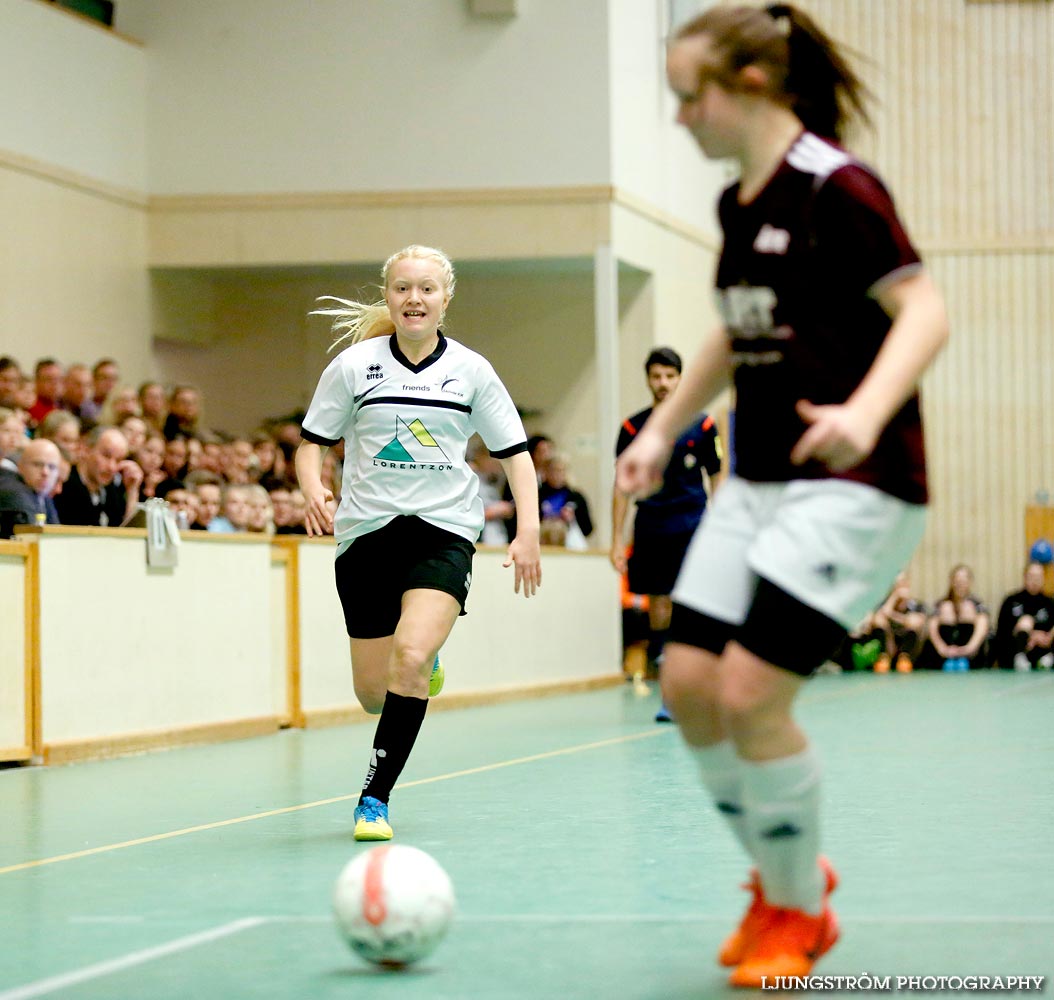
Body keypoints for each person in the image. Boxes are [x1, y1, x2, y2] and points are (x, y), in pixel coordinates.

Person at [615, 5, 949, 987]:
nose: (679, 118)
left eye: (689, 96)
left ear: (750, 86)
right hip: (756, 484)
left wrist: (862, 408)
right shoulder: (735, 203)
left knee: (750, 692)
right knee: (686, 685)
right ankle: (784, 872)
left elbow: (921, 308)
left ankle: (798, 908)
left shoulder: (836, 187)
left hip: (855, 484)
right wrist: (666, 430)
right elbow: (731, 328)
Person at [295, 244, 541, 843]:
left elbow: (516, 456)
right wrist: (312, 488)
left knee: (409, 655)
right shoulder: (355, 367)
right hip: (366, 534)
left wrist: (529, 531)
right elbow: (312, 444)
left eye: (426, 289)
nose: (414, 299)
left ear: (444, 298)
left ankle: (374, 800)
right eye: (404, 288)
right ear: (388, 296)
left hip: (443, 531)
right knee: (373, 695)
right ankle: (417, 670)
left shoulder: (473, 371)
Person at [612, 346, 722, 718]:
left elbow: (717, 476)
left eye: (669, 376)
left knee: (691, 604)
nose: (662, 383)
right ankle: (669, 693)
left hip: (692, 523)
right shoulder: (632, 428)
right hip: (652, 525)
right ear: (648, 379)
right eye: (656, 376)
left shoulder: (703, 425)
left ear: (680, 378)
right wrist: (615, 540)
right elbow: (621, 486)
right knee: (659, 605)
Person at [54, 426, 143, 528]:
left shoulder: (111, 491)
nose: (112, 467)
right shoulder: (63, 486)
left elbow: (127, 536)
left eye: (118, 460)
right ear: (86, 449)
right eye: (106, 456)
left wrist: (132, 491)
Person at [927, 564, 990, 671]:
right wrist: (942, 648)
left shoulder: (976, 605)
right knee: (946, 608)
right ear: (951, 582)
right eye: (957, 580)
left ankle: (963, 658)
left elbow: (982, 627)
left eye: (964, 580)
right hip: (945, 653)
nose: (960, 584)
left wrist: (969, 649)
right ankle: (949, 659)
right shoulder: (942, 604)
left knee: (967, 607)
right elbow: (932, 627)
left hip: (970, 652)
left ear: (970, 582)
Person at [993, 562, 1053, 671]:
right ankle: (1020, 659)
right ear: (1025, 577)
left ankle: (1047, 659)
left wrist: (1046, 638)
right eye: (1032, 576)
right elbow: (1001, 631)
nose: (1035, 580)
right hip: (1015, 650)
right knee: (1026, 621)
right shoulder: (1011, 600)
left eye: (1038, 577)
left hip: (1043, 649)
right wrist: (1029, 635)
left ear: (1044, 579)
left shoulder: (1049, 602)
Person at [868, 571, 928, 673]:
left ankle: (904, 658)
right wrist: (894, 597)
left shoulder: (917, 605)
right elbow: (880, 615)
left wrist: (893, 616)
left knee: (913, 622)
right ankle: (883, 657)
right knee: (878, 618)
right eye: (897, 584)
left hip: (908, 648)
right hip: (889, 646)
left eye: (903, 584)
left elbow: (917, 621)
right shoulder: (885, 603)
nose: (901, 588)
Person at [0, 438, 62, 537]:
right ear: (20, 466)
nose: (45, 472)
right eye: (37, 464)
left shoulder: (44, 497)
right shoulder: (15, 493)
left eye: (52, 467)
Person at [538, 452, 593, 549]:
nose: (557, 475)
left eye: (561, 471)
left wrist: (573, 518)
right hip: (541, 542)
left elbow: (588, 529)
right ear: (545, 472)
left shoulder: (576, 497)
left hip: (569, 544)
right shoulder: (538, 495)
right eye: (553, 470)